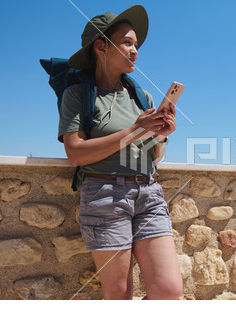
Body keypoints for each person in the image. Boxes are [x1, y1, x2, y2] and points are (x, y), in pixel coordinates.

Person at [58, 5, 183, 300]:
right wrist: (134, 130)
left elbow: (155, 157)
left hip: (148, 193)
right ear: (101, 46)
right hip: (104, 195)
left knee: (168, 289)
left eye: (135, 44)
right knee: (119, 294)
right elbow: (75, 153)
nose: (135, 50)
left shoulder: (143, 97)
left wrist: (160, 137)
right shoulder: (77, 95)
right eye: (127, 42)